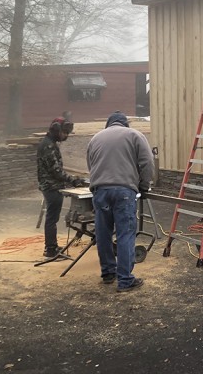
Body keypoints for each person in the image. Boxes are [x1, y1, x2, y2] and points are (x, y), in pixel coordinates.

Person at [87, 111, 154, 292]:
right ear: (125, 124)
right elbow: (147, 161)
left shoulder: (96, 138)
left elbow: (91, 165)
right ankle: (125, 280)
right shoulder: (134, 135)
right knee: (125, 234)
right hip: (124, 191)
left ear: (108, 124)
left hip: (100, 191)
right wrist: (144, 185)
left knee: (103, 233)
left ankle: (108, 273)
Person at [37, 117, 87, 259]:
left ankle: (52, 246)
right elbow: (56, 171)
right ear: (56, 130)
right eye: (64, 133)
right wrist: (73, 180)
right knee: (52, 218)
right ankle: (51, 249)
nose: (66, 136)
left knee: (52, 217)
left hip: (52, 185)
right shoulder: (48, 146)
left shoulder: (50, 143)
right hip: (51, 187)